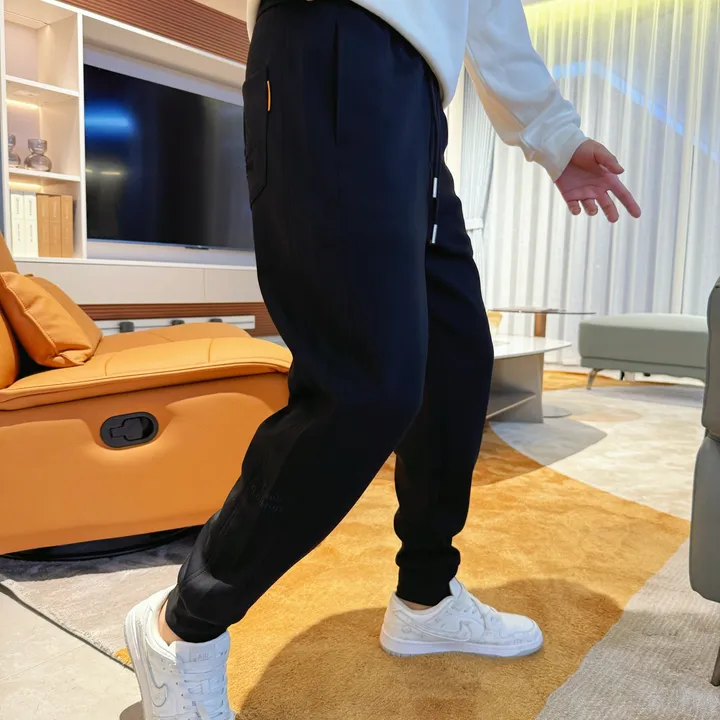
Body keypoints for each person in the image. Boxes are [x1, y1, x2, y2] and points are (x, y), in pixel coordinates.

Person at [124, 0, 642, 717]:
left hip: (419, 103)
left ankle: (426, 596)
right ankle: (183, 623)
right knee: (366, 389)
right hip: (330, 41)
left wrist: (555, 135)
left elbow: (486, 9)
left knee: (455, 367)